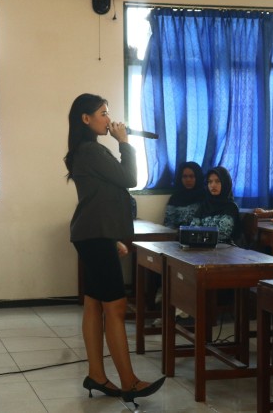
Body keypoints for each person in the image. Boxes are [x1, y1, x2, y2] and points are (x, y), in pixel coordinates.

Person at [64, 93, 164, 406]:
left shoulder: (87, 150)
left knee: (94, 304)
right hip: (94, 237)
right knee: (116, 307)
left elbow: (104, 198)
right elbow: (129, 178)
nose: (109, 119)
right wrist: (124, 142)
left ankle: (97, 374)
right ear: (86, 119)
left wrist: (113, 238)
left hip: (93, 235)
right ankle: (129, 382)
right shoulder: (91, 150)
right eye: (103, 113)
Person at [190, 166, 241, 243]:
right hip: (202, 246)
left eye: (217, 181)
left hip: (224, 248)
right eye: (210, 182)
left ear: (225, 183)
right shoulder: (205, 205)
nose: (213, 185)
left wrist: (200, 235)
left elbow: (223, 234)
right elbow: (192, 230)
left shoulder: (230, 207)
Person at [163, 161, 206, 228]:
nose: (188, 180)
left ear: (198, 177)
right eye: (184, 176)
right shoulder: (175, 198)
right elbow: (169, 223)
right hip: (178, 233)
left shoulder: (205, 197)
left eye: (191, 176)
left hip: (200, 233)